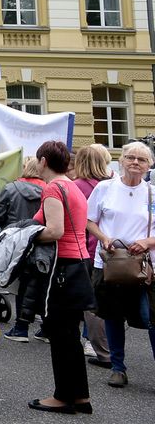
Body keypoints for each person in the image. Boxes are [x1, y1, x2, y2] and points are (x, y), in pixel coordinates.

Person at [28, 140, 94, 415]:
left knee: (60, 334)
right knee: (70, 334)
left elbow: (55, 230)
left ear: (43, 161)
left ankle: (62, 396)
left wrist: (27, 234)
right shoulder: (73, 186)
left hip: (62, 267)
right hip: (79, 263)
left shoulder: (53, 188)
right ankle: (80, 396)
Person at [85, 140, 155, 390]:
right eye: (131, 158)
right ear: (121, 160)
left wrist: (147, 241)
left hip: (145, 267)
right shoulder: (105, 188)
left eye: (142, 159)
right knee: (113, 316)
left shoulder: (152, 193)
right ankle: (118, 368)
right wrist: (104, 238)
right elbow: (89, 220)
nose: (136, 163)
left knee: (151, 318)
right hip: (110, 263)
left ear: (149, 165)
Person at [73, 143, 115, 366]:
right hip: (114, 252)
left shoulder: (77, 186)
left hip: (86, 249)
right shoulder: (114, 184)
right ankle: (108, 345)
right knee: (107, 298)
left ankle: (96, 344)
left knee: (92, 300)